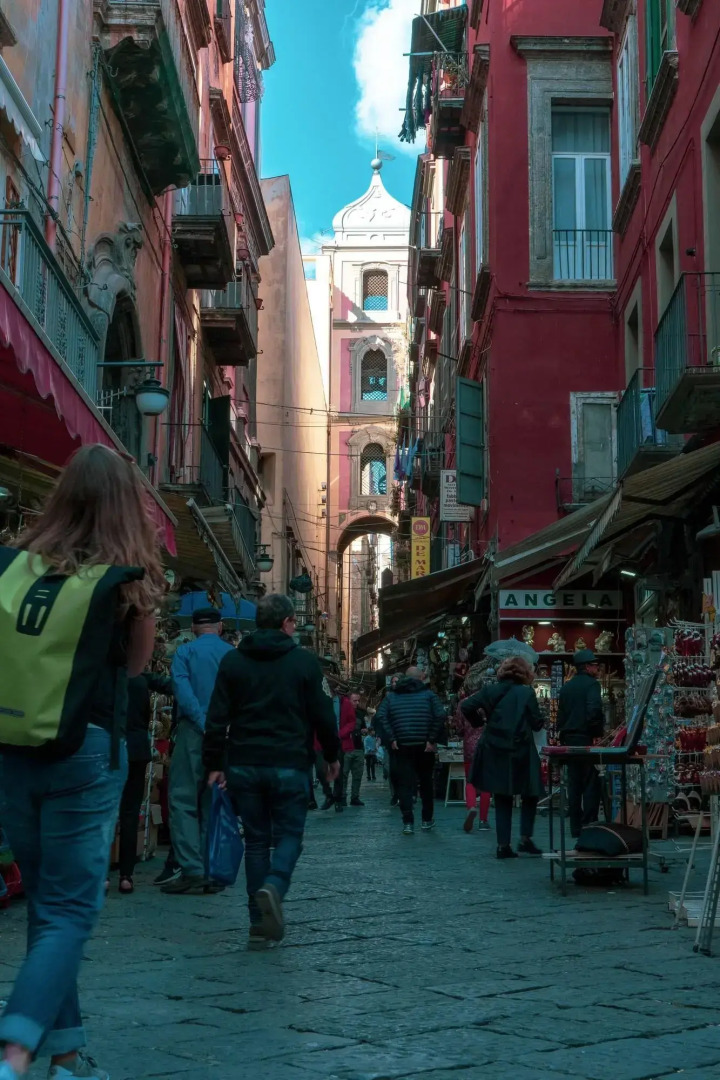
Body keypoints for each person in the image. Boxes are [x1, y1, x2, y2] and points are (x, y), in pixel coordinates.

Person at [0, 444, 164, 1080]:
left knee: (48, 907)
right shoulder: (125, 578)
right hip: (88, 749)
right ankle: (14, 1053)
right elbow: (136, 668)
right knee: (69, 912)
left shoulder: (16, 567)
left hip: (14, 748)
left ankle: (65, 1058)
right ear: (125, 503)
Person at [203, 594, 340, 949]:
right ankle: (275, 886)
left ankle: (257, 923)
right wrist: (331, 755)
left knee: (257, 841)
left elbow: (216, 717)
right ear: (287, 623)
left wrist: (214, 764)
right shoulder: (305, 663)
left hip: (244, 763)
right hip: (289, 762)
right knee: (290, 834)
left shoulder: (233, 662)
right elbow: (324, 715)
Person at [162, 609, 234, 894]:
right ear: (220, 627)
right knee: (212, 801)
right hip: (225, 732)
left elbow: (182, 690)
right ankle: (211, 866)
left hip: (194, 731)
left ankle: (192, 868)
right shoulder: (231, 654)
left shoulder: (184, 653)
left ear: (193, 628)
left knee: (182, 798)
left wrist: (203, 723)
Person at [461, 656, 544, 859]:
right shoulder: (526, 692)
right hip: (521, 748)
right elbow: (536, 723)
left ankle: (502, 845)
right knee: (530, 793)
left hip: (495, 747)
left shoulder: (490, 690)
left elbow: (466, 706)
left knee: (502, 796)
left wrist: (480, 722)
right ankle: (525, 837)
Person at [117, 671, 172, 894]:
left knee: (105, 812)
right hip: (136, 748)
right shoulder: (141, 678)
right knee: (130, 813)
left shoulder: (105, 674)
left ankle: (101, 876)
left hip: (110, 747)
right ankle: (126, 875)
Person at [374, 667, 446, 835]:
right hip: (424, 745)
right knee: (426, 783)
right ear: (421, 678)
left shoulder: (392, 697)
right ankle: (427, 820)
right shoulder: (429, 696)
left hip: (402, 745)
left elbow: (380, 716)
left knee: (404, 784)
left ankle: (408, 822)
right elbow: (440, 715)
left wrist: (391, 738)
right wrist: (432, 739)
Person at [557, 649, 605, 838]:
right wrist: (596, 733)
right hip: (585, 738)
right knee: (591, 782)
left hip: (569, 739)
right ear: (586, 667)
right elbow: (593, 711)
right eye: (594, 665)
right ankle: (589, 823)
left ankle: (575, 827)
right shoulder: (592, 685)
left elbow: (560, 716)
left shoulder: (566, 688)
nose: (597, 668)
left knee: (574, 784)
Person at [454, 695, 491, 832]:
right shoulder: (488, 700)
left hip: (469, 746)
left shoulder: (463, 703)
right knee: (486, 782)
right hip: (487, 745)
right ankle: (483, 820)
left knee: (470, 780)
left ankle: (471, 806)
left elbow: (459, 728)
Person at [341, 691, 365, 807]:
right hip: (346, 748)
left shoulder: (360, 714)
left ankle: (355, 797)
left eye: (358, 700)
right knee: (344, 774)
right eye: (354, 700)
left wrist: (364, 731)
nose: (357, 703)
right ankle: (342, 797)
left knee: (357, 775)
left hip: (358, 747)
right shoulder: (342, 713)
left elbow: (364, 727)